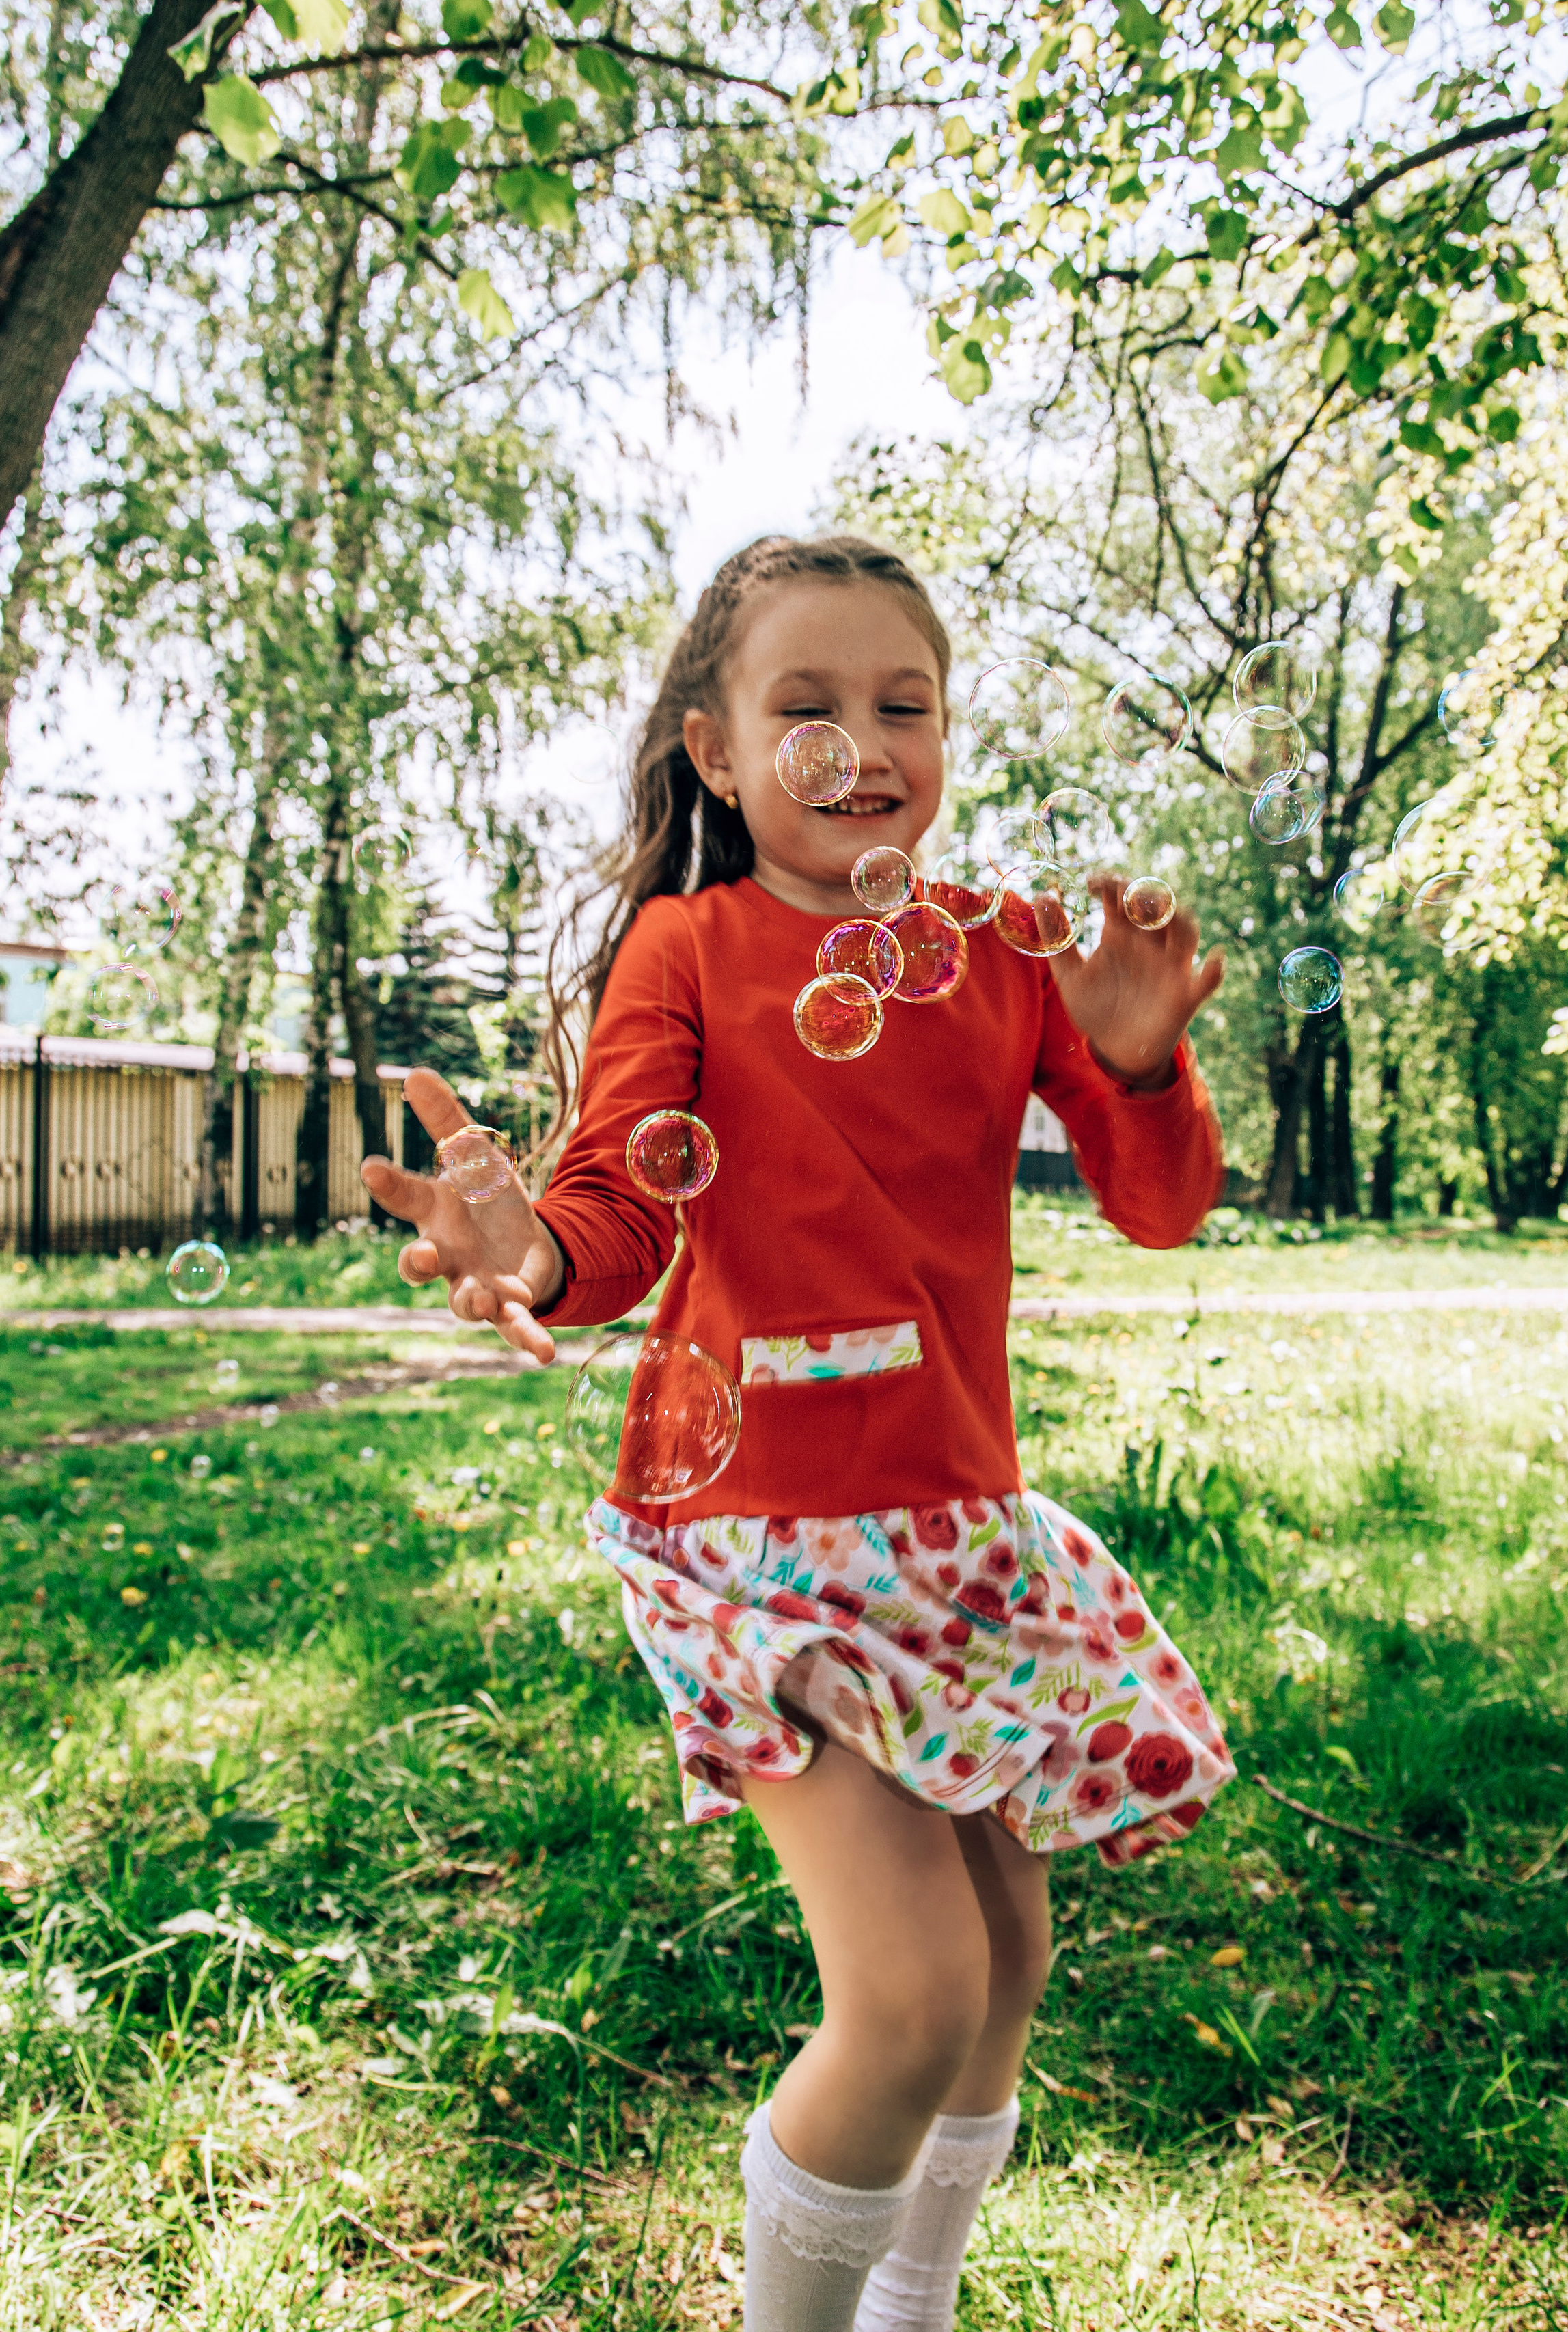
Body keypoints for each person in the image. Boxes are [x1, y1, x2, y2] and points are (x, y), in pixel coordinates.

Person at [362, 534, 1236, 2332]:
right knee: (909, 1996)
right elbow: (622, 1204)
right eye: (806, 709)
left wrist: (1143, 1066)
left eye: (903, 706)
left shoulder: (996, 950)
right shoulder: (690, 946)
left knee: (1003, 1960)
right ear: (717, 750)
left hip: (958, 1529)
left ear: (949, 734)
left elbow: (1157, 1206)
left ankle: (908, 2309)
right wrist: (532, 1249)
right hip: (759, 1540)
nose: (862, 747)